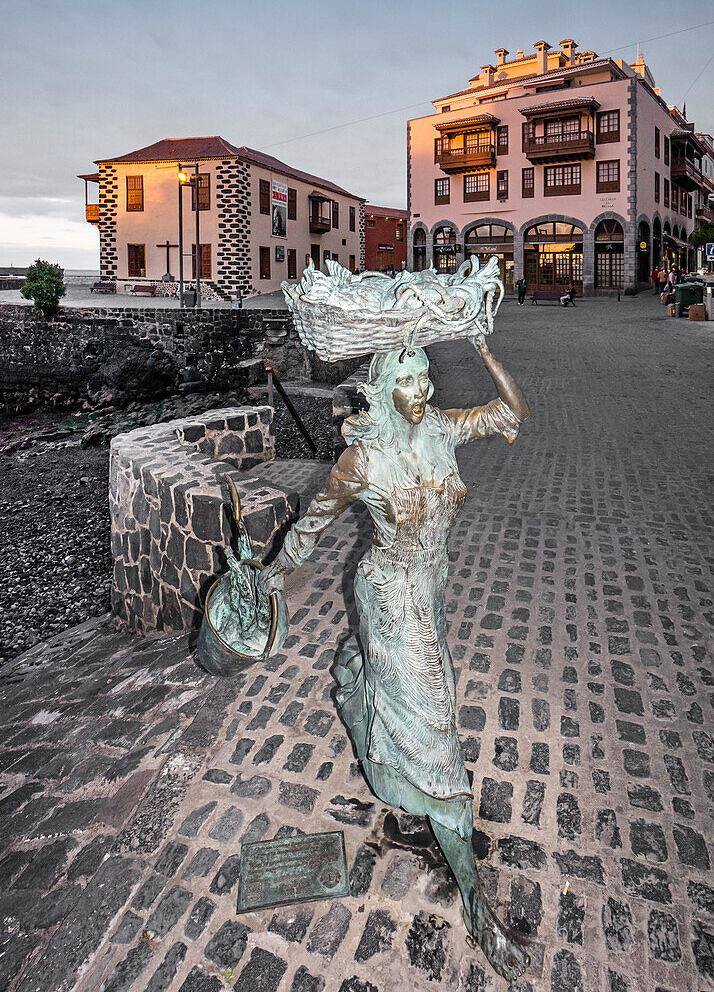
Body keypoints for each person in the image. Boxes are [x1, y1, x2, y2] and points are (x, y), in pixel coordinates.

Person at [261, 338, 531, 984]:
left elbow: (510, 412)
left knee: (424, 690)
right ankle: (474, 903)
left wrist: (485, 351)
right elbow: (314, 522)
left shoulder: (439, 427)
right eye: (408, 383)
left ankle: (357, 688)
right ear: (384, 393)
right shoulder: (362, 459)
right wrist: (270, 575)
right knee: (437, 730)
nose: (424, 392)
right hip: (388, 597)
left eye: (424, 378)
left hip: (430, 587)